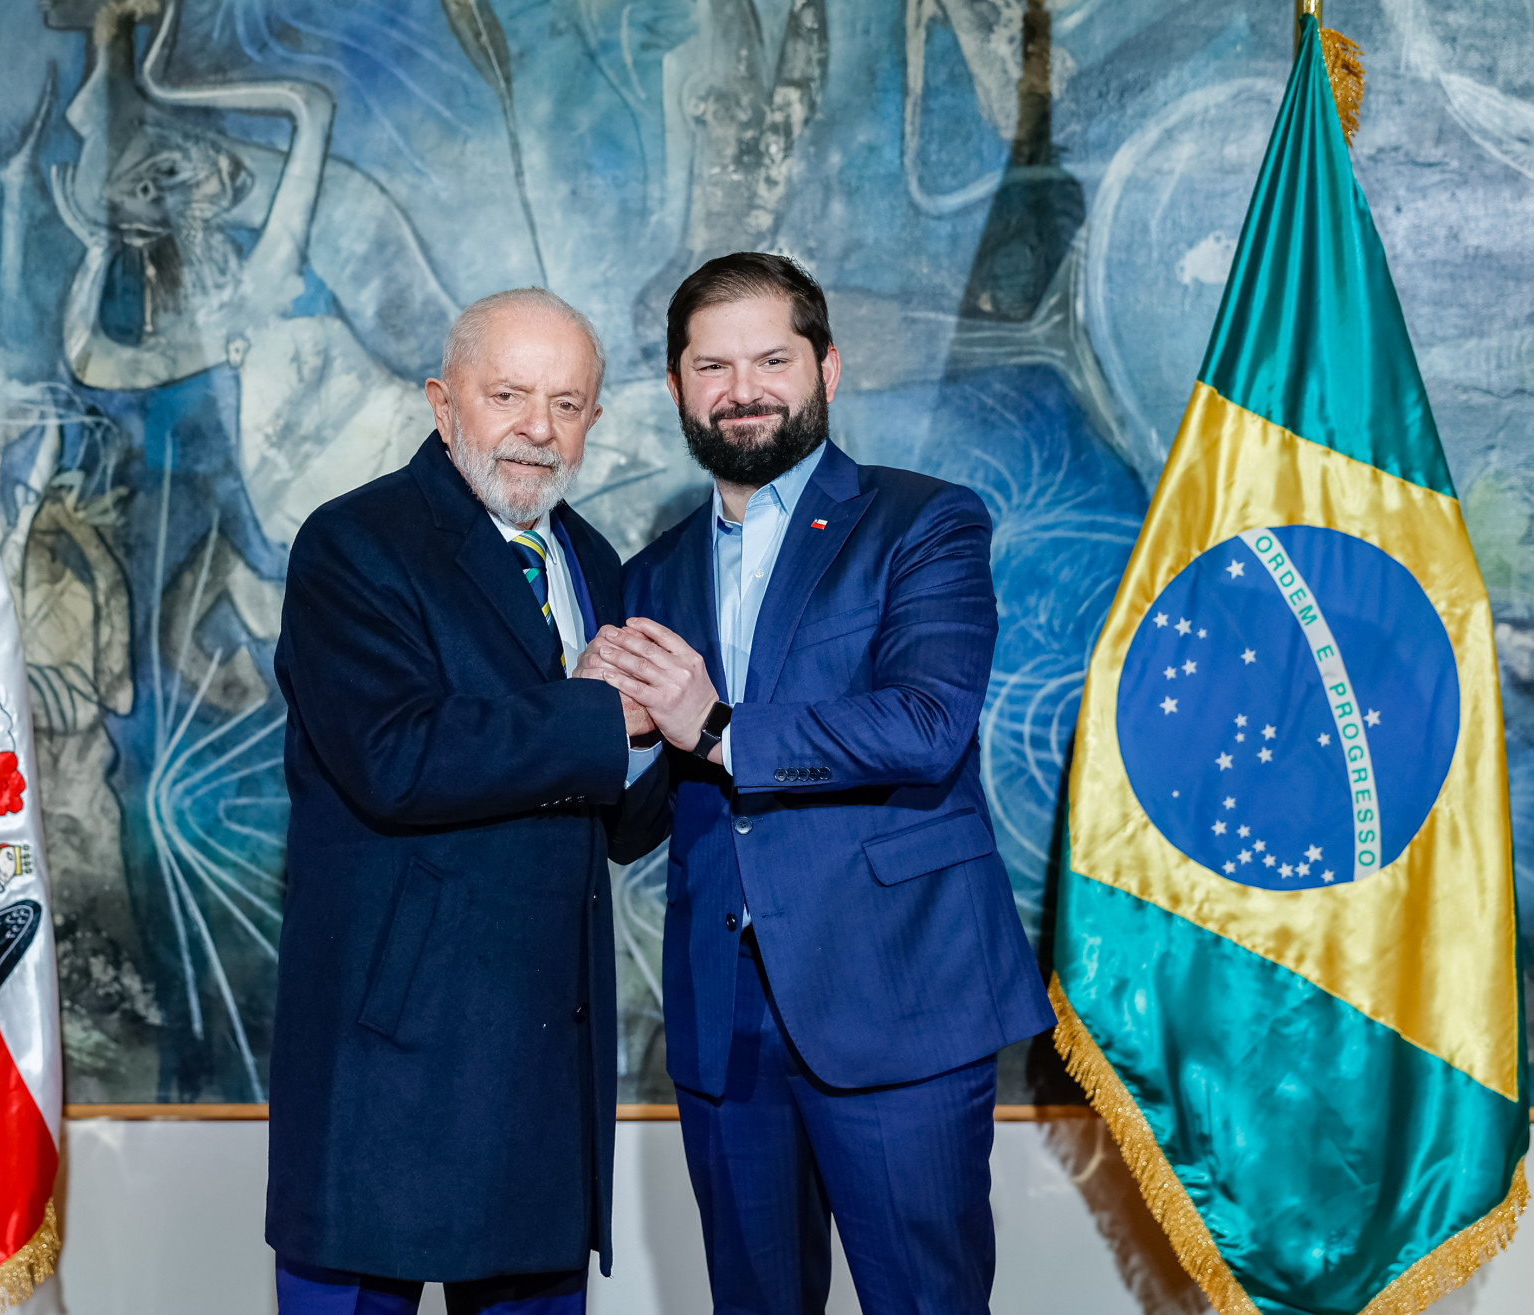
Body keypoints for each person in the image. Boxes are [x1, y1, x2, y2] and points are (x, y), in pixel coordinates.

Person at [591, 253, 1054, 1313]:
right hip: (724, 1024)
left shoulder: (925, 521)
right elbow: (636, 821)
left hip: (898, 1000)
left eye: (770, 359)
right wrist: (607, 734)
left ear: (828, 369)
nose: (741, 388)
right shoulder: (652, 573)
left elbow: (928, 726)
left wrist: (712, 725)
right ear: (676, 388)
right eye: (712, 365)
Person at [268, 289, 671, 1313]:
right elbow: (394, 757)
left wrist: (683, 726)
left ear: (592, 421)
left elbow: (615, 817)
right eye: (509, 395)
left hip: (543, 1068)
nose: (539, 427)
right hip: (390, 1067)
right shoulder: (352, 545)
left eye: (568, 402)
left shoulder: (597, 560)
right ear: (445, 407)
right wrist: (602, 716)